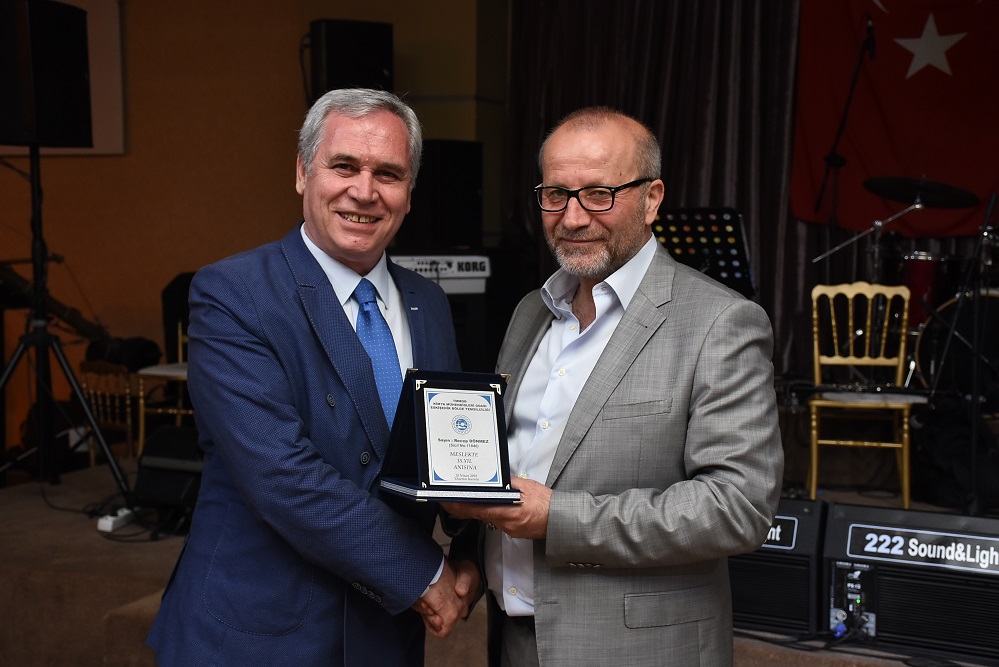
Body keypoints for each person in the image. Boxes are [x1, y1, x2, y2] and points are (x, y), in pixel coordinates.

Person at [147, 88, 479, 666]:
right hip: (257, 635)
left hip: (383, 636)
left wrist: (473, 554)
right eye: (344, 166)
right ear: (303, 173)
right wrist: (427, 574)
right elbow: (284, 477)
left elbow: (452, 453)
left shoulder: (428, 303)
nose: (365, 192)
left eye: (388, 173)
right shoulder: (233, 294)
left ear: (410, 192)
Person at [443, 107, 783, 667]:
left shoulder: (720, 322)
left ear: (652, 199)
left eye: (599, 194)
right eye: (556, 194)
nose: (573, 217)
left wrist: (557, 518)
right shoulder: (530, 312)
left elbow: (737, 506)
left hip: (639, 650)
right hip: (513, 642)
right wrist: (474, 559)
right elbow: (515, 468)